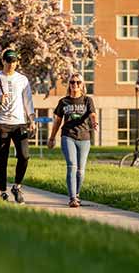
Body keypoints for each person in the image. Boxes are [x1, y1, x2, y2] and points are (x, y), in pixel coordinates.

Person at [0, 49, 35, 204]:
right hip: (1, 124)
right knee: (2, 159)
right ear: (3, 61)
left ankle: (17, 187)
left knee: (24, 156)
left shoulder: (22, 79)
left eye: (14, 61)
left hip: (19, 124)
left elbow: (28, 101)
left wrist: (32, 120)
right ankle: (3, 192)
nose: (11, 64)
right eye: (9, 60)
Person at [47, 72, 97, 208]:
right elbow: (57, 121)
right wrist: (52, 138)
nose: (75, 84)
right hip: (68, 136)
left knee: (81, 170)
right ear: (69, 84)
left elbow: (92, 114)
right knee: (72, 166)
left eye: (78, 82)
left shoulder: (87, 100)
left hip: (84, 138)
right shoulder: (63, 102)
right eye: (72, 82)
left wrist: (94, 122)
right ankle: (72, 198)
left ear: (82, 85)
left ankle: (77, 194)